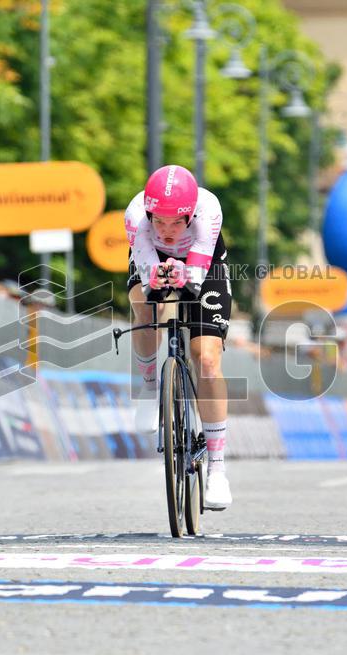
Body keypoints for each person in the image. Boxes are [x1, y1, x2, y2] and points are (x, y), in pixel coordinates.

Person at [125, 164, 232, 510]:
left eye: (176, 222)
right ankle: (148, 385)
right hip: (152, 259)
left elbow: (196, 279)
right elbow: (146, 273)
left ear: (189, 215)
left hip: (203, 262)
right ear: (149, 213)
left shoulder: (209, 209)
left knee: (207, 357)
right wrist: (155, 277)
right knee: (143, 304)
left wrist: (185, 273)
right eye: (159, 221)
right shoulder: (135, 216)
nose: (168, 230)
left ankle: (217, 469)